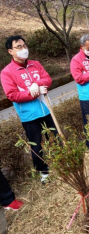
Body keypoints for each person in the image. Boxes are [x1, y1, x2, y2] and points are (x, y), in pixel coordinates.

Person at [1, 36, 58, 183]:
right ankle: (43, 172)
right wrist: (32, 92)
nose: (23, 49)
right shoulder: (7, 72)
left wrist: (37, 83)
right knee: (36, 144)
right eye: (18, 47)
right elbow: (12, 94)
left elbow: (47, 79)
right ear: (10, 51)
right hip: (29, 115)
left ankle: (63, 161)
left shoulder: (35, 64)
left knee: (55, 137)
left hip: (45, 108)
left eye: (24, 45)